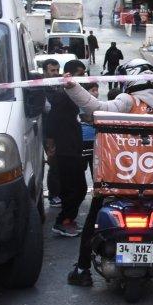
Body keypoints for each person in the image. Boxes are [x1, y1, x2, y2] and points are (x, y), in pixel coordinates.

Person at [60, 58, 153, 286]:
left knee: (93, 218)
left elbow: (98, 108)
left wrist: (73, 87)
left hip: (119, 174)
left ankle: (83, 269)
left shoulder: (127, 100)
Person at [45, 60, 89, 238]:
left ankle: (68, 219)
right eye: (80, 73)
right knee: (74, 189)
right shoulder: (64, 96)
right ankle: (63, 221)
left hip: (74, 147)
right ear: (70, 75)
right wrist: (51, 146)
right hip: (66, 150)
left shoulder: (73, 94)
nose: (84, 77)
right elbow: (52, 120)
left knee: (79, 188)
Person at [39, 59, 62, 207]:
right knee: (54, 163)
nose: (55, 73)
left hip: (61, 130)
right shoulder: (41, 88)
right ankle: (54, 195)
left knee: (61, 163)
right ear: (45, 71)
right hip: (49, 134)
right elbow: (48, 108)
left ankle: (60, 192)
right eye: (52, 70)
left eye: (56, 70)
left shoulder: (59, 85)